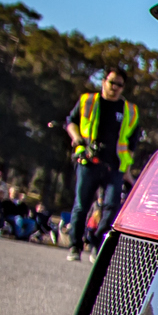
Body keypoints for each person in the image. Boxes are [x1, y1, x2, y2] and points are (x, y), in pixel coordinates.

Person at [66, 71, 139, 260]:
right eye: (112, 82)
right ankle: (75, 246)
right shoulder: (88, 101)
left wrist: (127, 171)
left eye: (119, 85)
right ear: (104, 81)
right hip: (88, 162)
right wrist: (78, 140)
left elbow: (132, 143)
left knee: (112, 206)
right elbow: (71, 122)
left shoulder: (130, 110)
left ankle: (97, 245)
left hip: (115, 166)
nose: (115, 87)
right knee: (81, 205)